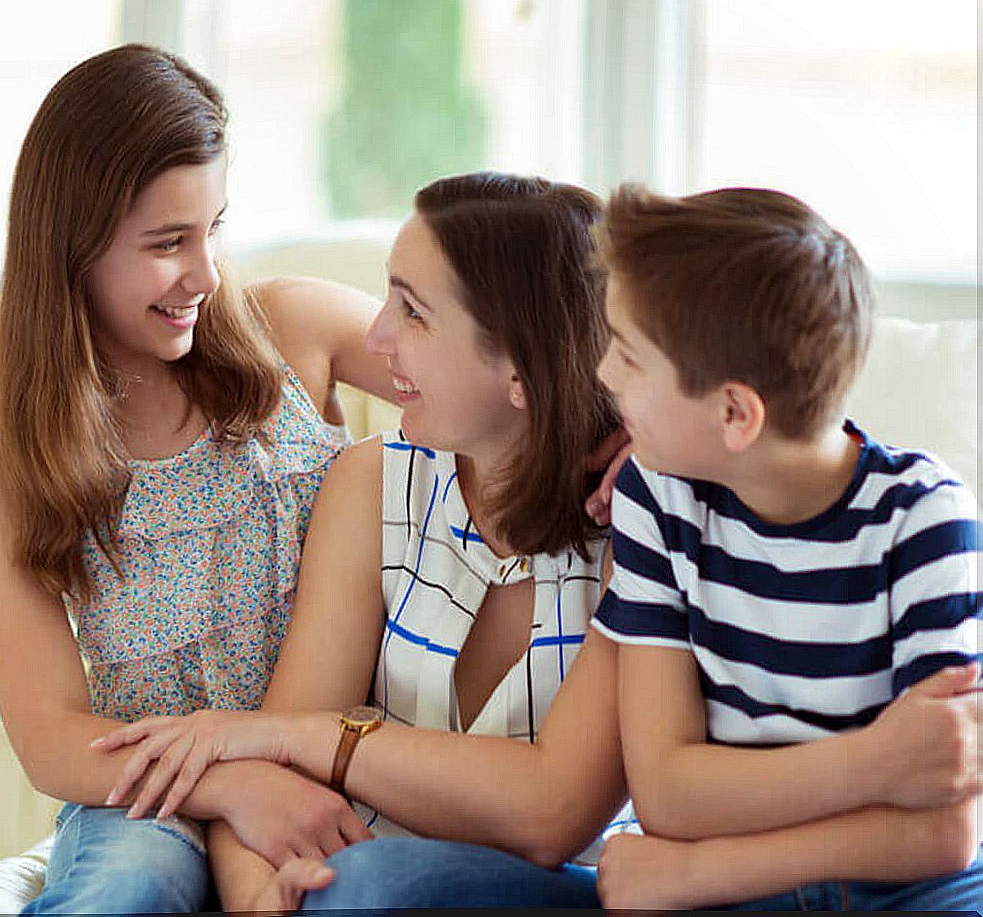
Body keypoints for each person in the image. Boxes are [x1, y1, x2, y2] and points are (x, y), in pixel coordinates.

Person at [95, 175, 982, 914]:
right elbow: (273, 758)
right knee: (355, 887)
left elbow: (555, 811)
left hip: (612, 880)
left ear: (518, 369)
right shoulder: (381, 484)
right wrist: (262, 897)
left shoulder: (649, 507)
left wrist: (306, 738)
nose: (375, 337)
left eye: (411, 310)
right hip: (415, 877)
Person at [0, 43, 403, 915]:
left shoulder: (293, 331)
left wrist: (606, 435)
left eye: (213, 229)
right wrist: (232, 785)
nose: (204, 274)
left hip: (333, 752)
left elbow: (466, 370)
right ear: (71, 250)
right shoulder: (1, 480)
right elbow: (51, 737)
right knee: (128, 883)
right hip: (153, 794)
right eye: (167, 244)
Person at [589, 184, 981, 910]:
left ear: (734, 413)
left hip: (914, 891)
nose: (602, 375)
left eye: (628, 357)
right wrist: (877, 764)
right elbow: (668, 796)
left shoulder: (925, 518)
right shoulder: (657, 493)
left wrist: (697, 873)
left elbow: (946, 832)